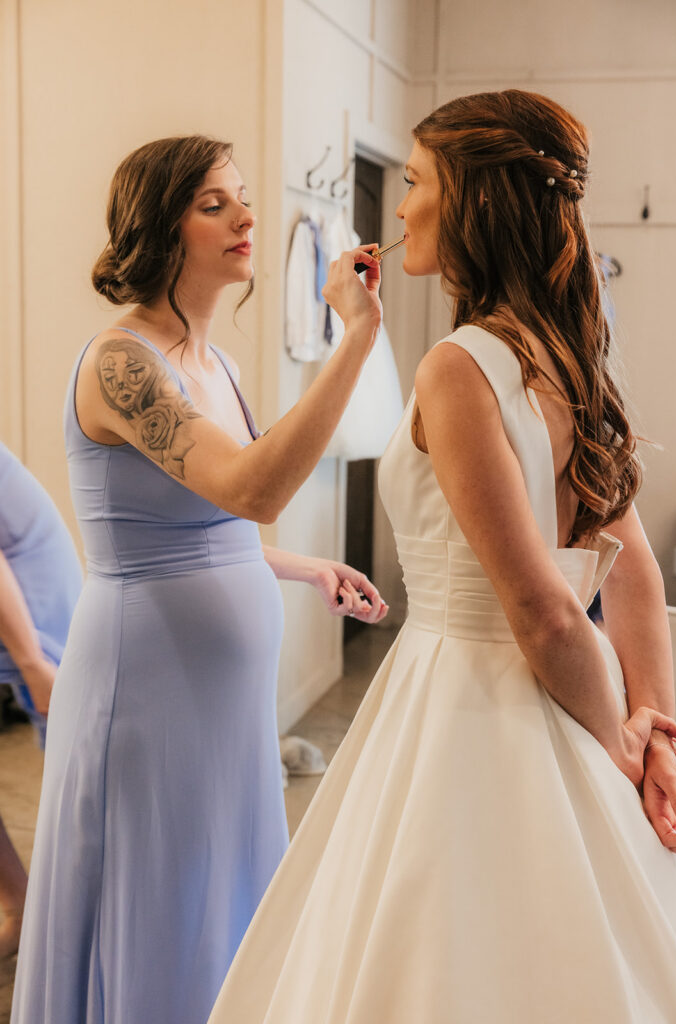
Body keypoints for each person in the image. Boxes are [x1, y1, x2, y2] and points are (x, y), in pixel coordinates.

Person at [207, 91, 676, 1024]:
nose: (401, 207)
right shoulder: (570, 351)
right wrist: (655, 721)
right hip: (549, 689)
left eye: (416, 182)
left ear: (470, 198)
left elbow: (545, 611)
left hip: (467, 696)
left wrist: (621, 750)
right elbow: (630, 567)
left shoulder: (458, 367)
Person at [11, 134, 388, 1024]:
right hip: (146, 691)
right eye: (214, 204)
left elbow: (210, 534)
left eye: (244, 199)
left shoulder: (214, 363)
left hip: (222, 703)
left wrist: (308, 569)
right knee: (159, 904)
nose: (247, 218)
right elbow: (253, 490)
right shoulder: (121, 360)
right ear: (158, 228)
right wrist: (355, 341)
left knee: (221, 901)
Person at [0, 442, 82, 961]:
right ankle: (20, 903)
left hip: (30, 594)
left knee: (78, 776)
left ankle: (81, 923)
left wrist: (32, 662)